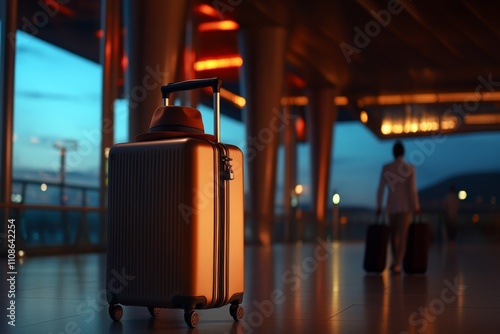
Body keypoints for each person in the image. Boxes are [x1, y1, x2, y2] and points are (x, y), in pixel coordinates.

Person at [376, 141, 420, 274]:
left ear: (393, 152)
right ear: (403, 152)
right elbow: (412, 190)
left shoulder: (387, 167)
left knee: (393, 234)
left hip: (391, 205)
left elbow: (381, 189)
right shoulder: (409, 168)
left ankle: (395, 260)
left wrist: (379, 205)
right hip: (405, 206)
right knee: (403, 235)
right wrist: (416, 206)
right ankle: (397, 263)